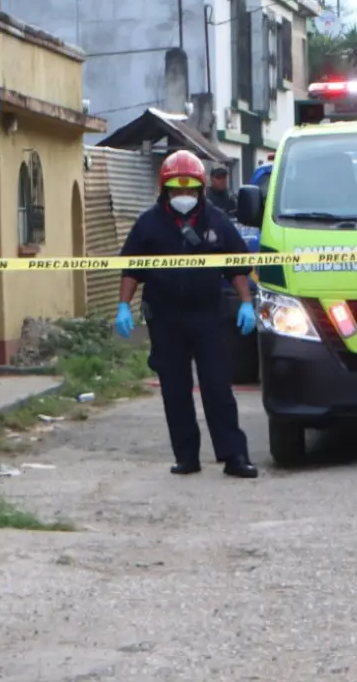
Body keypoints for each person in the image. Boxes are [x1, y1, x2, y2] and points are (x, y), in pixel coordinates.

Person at [114, 149, 258, 479]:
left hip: (209, 317)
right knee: (175, 390)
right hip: (165, 319)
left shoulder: (217, 221)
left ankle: (234, 455)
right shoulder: (148, 223)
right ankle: (186, 456)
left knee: (218, 388)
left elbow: (237, 266)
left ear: (200, 189)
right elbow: (130, 269)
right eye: (177, 190)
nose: (184, 196)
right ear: (165, 190)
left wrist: (247, 302)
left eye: (190, 190)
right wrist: (123, 306)